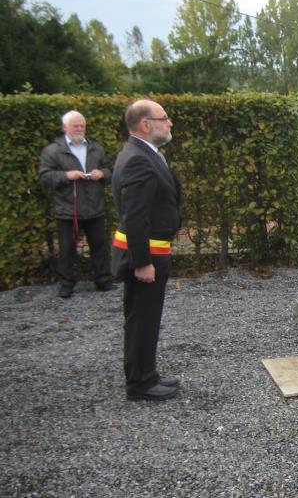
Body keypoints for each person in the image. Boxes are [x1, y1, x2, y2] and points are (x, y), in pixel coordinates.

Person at [111, 100, 182, 401]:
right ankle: (140, 384)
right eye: (164, 118)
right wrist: (142, 262)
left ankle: (147, 374)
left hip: (154, 251)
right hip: (147, 254)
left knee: (147, 317)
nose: (169, 124)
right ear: (144, 124)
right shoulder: (138, 159)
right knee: (142, 318)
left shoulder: (145, 154)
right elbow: (135, 216)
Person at [39, 110, 115, 298]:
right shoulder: (52, 151)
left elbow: (110, 170)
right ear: (65, 127)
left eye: (82, 125)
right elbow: (44, 176)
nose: (80, 128)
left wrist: (102, 174)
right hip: (68, 210)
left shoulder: (96, 148)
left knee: (99, 246)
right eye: (76, 125)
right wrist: (66, 176)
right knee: (67, 250)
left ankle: (103, 281)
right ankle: (66, 285)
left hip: (95, 208)